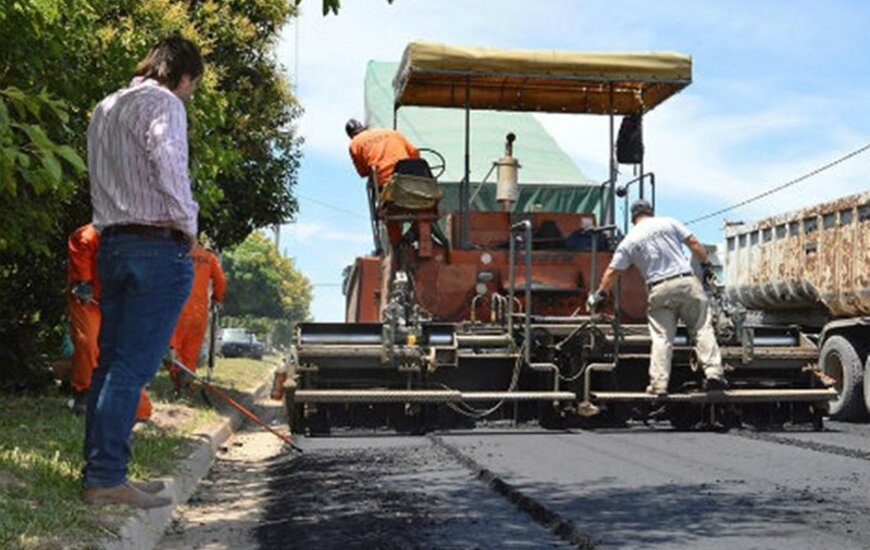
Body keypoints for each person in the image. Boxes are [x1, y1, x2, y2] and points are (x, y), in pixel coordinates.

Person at [82, 36, 203, 509]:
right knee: (132, 368)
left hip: (112, 242)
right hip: (156, 246)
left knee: (110, 365)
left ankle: (103, 472)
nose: (189, 94)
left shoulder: (106, 106)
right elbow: (169, 162)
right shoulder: (165, 103)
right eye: (192, 86)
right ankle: (107, 478)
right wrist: (188, 224)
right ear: (185, 75)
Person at [587, 199, 727, 396]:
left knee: (662, 337)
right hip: (686, 282)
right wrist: (706, 265)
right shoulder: (669, 222)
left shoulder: (630, 239)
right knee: (701, 328)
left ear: (633, 218)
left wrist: (600, 293)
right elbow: (694, 243)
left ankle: (659, 384)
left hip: (658, 289)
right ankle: (714, 375)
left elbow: (613, 271)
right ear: (650, 212)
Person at [67, 223, 152, 420]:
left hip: (119, 300)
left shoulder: (140, 240)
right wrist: (83, 282)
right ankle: (83, 392)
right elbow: (80, 261)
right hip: (87, 299)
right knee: (87, 342)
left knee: (127, 350)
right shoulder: (87, 236)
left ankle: (129, 403)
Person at [346, 118, 420, 246]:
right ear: (364, 127)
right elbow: (415, 154)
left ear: (351, 135)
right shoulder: (393, 133)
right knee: (425, 209)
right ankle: (416, 231)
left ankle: (397, 245)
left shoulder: (354, 144)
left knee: (388, 211)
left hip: (387, 187)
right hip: (412, 183)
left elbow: (363, 172)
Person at [169, 244, 226, 392]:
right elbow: (220, 280)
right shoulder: (209, 257)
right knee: (191, 352)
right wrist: (217, 298)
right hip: (199, 313)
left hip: (177, 308)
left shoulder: (176, 251)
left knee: (173, 348)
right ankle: (187, 386)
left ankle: (177, 382)